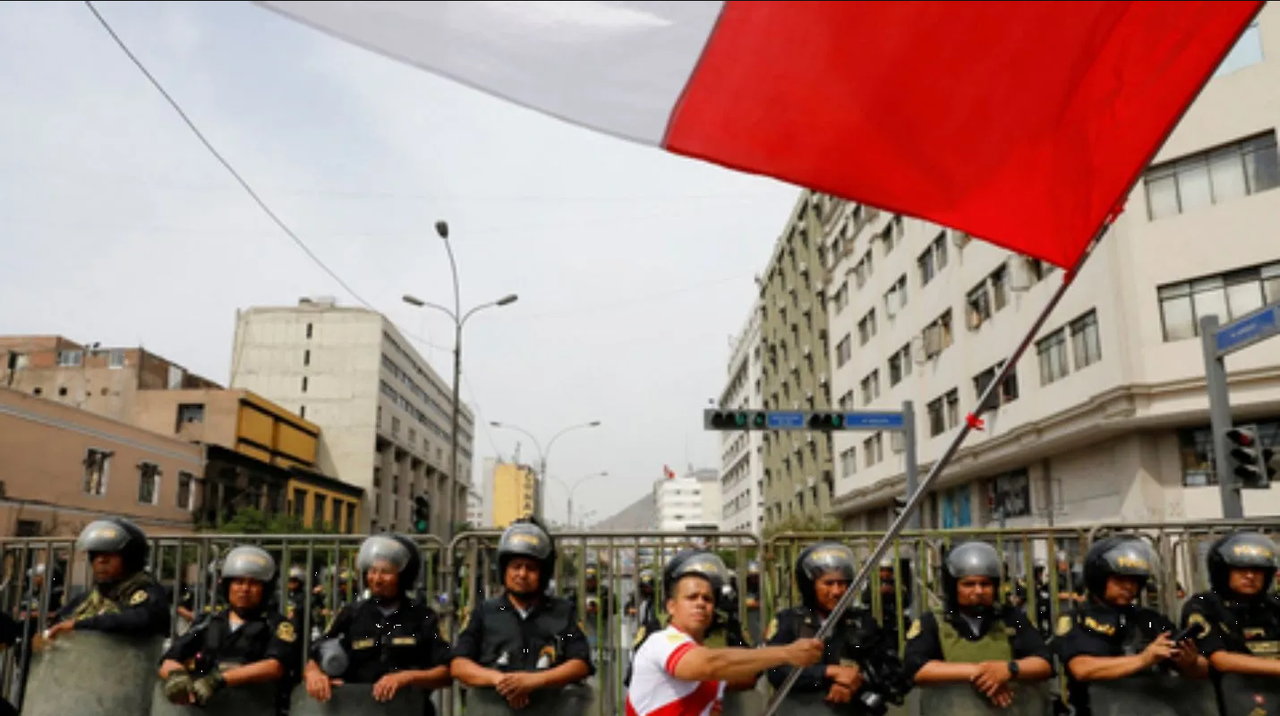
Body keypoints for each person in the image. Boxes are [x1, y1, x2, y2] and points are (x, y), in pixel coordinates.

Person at [626, 549, 823, 716]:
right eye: (691, 597)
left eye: (707, 599)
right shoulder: (660, 641)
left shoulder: (712, 641)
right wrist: (786, 653)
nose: (700, 604)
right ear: (671, 606)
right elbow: (708, 664)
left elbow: (739, 673)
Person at [1055, 535, 1209, 716]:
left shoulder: (1149, 619)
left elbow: (1203, 669)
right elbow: (1082, 668)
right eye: (1120, 580)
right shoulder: (1077, 619)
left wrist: (1190, 663)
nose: (1129, 587)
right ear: (1099, 578)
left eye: (1135, 581)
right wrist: (1144, 659)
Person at [451, 517, 594, 710]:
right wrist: (500, 680)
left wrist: (534, 680)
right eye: (516, 566)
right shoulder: (484, 612)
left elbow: (580, 664)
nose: (522, 574)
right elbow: (459, 664)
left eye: (531, 568)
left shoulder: (563, 612)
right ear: (504, 570)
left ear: (543, 574)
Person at [302, 534, 452, 708]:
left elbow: (446, 673)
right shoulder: (351, 614)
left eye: (386, 572)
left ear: (404, 576)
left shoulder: (424, 617)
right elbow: (316, 654)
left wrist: (407, 677)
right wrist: (314, 674)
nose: (377, 579)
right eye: (372, 571)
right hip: (360, 709)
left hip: (408, 709)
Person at [904, 541, 1054, 712]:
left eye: (985, 584)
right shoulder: (933, 621)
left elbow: (1044, 662)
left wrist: (1009, 669)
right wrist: (983, 672)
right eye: (969, 584)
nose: (979, 591)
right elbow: (916, 668)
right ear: (953, 587)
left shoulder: (1011, 617)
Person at [765, 542, 910, 714]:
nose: (837, 591)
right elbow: (775, 670)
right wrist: (827, 673)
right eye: (828, 583)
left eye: (842, 583)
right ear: (810, 585)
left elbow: (893, 672)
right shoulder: (789, 621)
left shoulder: (861, 621)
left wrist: (855, 681)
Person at [158, 545, 299, 706]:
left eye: (253, 583)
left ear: (265, 589)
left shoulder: (278, 624)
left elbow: (274, 666)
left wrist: (218, 679)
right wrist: (177, 676)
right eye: (238, 582)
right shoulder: (208, 622)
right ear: (227, 586)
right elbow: (170, 658)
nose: (245, 589)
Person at [1181, 531, 1280, 716]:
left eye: (1257, 570)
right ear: (1224, 571)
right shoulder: (1204, 605)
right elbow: (1220, 660)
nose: (1250, 576)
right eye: (1241, 569)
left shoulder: (1274, 606)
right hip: (1228, 699)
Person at [42, 518, 170, 643]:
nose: (101, 560)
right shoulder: (88, 599)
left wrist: (80, 625)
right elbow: (59, 622)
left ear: (130, 558)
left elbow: (143, 620)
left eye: (110, 554)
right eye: (96, 554)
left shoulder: (147, 592)